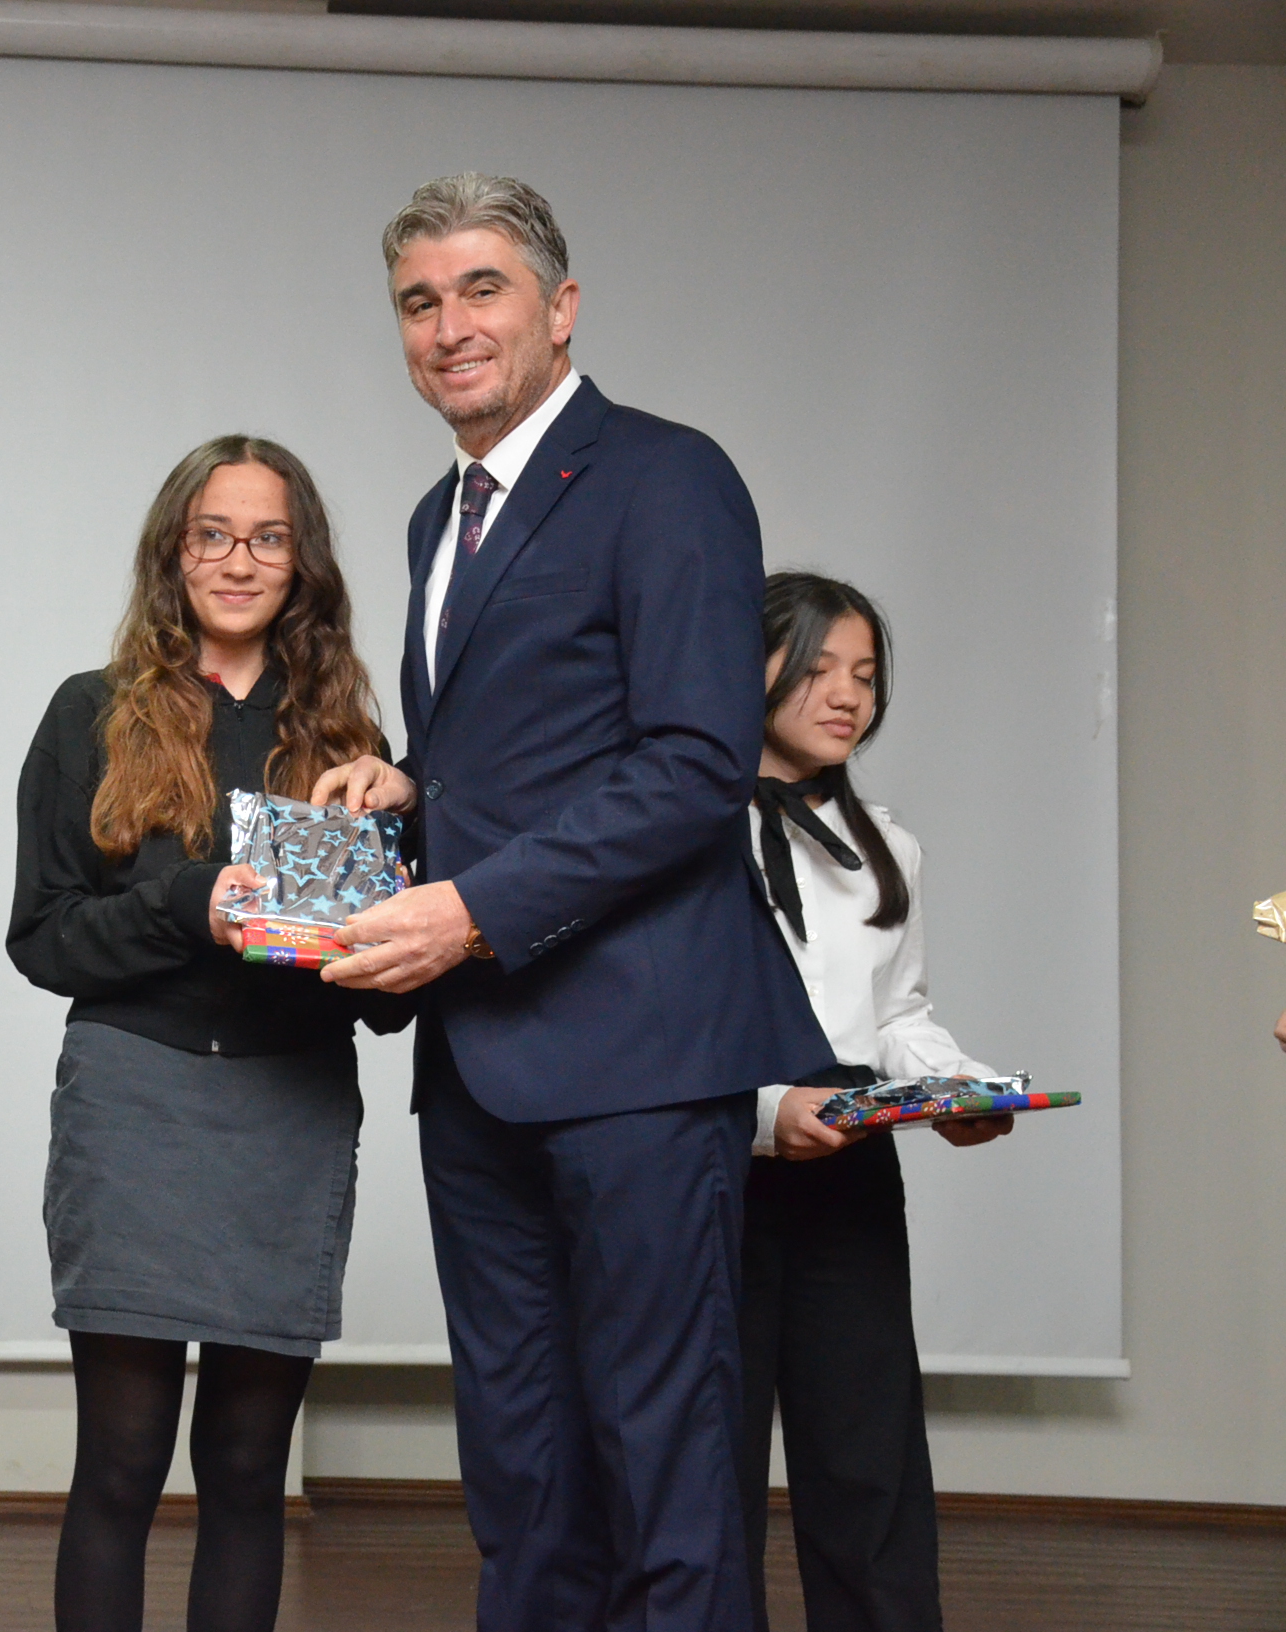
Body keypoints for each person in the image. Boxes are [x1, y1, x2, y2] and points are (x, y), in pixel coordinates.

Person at [314, 174, 833, 1632]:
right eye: (419, 302)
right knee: (522, 1459)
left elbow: (693, 764)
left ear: (562, 308)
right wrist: (409, 785)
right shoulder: (437, 516)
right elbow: (528, 746)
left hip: (639, 1052)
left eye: (481, 289)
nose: (448, 326)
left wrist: (469, 910)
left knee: (665, 1452)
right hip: (480, 1057)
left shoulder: (667, 476)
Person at [8, 435, 412, 1632]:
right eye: (213, 536)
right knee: (121, 1463)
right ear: (172, 554)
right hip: (133, 1102)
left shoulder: (348, 738)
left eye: (267, 538)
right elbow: (43, 938)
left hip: (291, 1107)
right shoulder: (89, 713)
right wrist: (190, 903)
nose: (239, 561)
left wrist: (382, 923)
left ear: (303, 562)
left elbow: (390, 993)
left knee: (246, 1470)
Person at [740, 571, 1011, 1632]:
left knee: (867, 1451)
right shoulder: (676, 831)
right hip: (713, 1153)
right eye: (817, 668)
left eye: (864, 673)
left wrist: (952, 1089)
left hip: (850, 1160)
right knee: (706, 1458)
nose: (847, 694)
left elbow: (898, 1010)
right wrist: (764, 1113)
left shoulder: (887, 844)